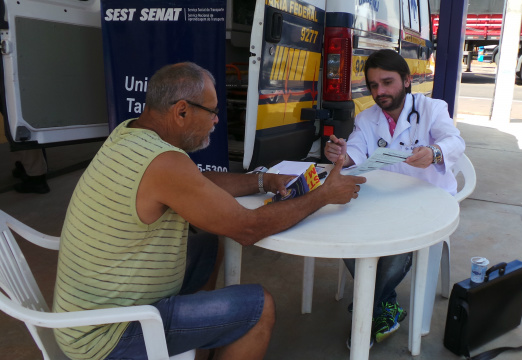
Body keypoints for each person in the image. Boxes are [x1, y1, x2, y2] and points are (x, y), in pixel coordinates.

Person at [52, 62, 366, 360]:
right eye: (213, 111)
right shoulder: (163, 163)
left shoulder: (130, 134)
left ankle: (197, 346)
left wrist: (261, 181)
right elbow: (248, 229)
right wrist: (324, 195)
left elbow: (197, 182)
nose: (217, 120)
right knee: (259, 307)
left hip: (88, 315)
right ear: (182, 111)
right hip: (109, 338)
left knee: (207, 245)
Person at [324, 49, 465, 347]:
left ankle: (366, 309)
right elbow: (358, 152)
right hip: (385, 198)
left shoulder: (432, 108)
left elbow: (454, 140)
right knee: (347, 232)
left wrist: (434, 152)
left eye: (387, 82)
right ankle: (385, 306)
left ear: (407, 80)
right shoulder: (367, 117)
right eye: (374, 85)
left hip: (428, 199)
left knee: (400, 247)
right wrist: (342, 155)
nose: (380, 92)